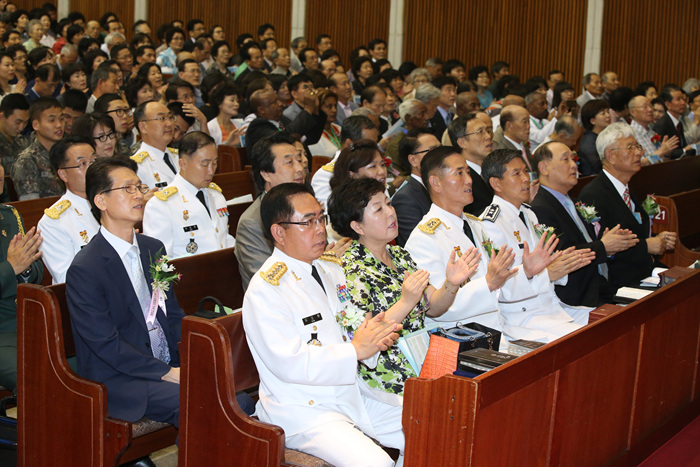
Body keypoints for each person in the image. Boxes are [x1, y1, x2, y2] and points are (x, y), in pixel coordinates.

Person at [243, 182, 404, 467]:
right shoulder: (267, 289)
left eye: (321, 219)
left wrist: (374, 338)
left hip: (351, 393)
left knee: (433, 426)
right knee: (377, 464)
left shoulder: (329, 267)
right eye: (308, 222)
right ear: (279, 232)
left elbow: (351, 327)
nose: (320, 229)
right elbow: (289, 363)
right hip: (305, 410)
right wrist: (356, 350)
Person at [65, 157, 185, 441]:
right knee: (200, 402)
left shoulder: (153, 248)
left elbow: (173, 314)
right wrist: (166, 372)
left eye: (139, 187)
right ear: (101, 201)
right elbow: (106, 344)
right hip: (122, 378)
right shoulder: (86, 268)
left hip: (167, 362)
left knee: (237, 397)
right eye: (127, 188)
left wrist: (194, 356)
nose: (138, 195)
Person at [329, 177, 478, 403]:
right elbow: (365, 338)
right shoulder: (349, 269)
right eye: (379, 209)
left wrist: (451, 283)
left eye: (389, 204)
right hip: (388, 375)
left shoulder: (399, 255)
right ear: (357, 226)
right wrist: (406, 302)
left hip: (424, 359)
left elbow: (434, 307)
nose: (391, 212)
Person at [404, 146, 522, 332]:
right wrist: (487, 284)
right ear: (436, 183)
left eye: (468, 172)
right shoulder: (424, 238)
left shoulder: (475, 224)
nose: (469, 180)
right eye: (459, 173)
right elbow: (436, 309)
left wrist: (530, 271)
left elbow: (500, 285)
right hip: (463, 335)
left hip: (500, 324)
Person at [480, 149, 592, 342]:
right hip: (522, 317)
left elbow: (543, 267)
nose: (526, 178)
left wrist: (561, 264)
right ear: (496, 183)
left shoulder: (528, 213)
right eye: (516, 173)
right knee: (588, 338)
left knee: (611, 319)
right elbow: (500, 287)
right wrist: (548, 273)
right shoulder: (491, 224)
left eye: (525, 171)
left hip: (550, 306)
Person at [530, 141, 638, 306]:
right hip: (576, 299)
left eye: (573, 159)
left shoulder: (572, 202)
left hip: (600, 287)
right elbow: (562, 255)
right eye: (565, 159)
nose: (574, 165)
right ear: (544, 168)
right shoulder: (540, 208)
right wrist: (603, 246)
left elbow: (585, 242)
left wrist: (611, 243)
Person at [578, 122, 677, 288]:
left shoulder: (625, 188)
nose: (639, 152)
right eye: (630, 147)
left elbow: (634, 232)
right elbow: (604, 249)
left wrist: (658, 238)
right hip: (619, 284)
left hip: (643, 272)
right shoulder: (593, 195)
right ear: (610, 155)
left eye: (638, 146)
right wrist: (646, 246)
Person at [143, 132, 235, 258]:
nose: (211, 171)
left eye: (214, 163)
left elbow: (224, 239)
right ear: (183, 164)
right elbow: (160, 259)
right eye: (204, 164)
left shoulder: (217, 196)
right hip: (188, 270)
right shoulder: (160, 205)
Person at [235, 132, 305, 290]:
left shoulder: (307, 207)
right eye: (289, 162)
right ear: (266, 174)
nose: (300, 168)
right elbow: (270, 281)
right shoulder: (252, 223)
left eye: (299, 160)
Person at [0, 161, 43, 393]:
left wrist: (24, 268)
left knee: (81, 361)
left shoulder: (8, 215)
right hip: (3, 331)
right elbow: (13, 266)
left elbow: (35, 269)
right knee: (33, 378)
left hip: (25, 319)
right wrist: (11, 268)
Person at [38, 136, 99, 284]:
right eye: (82, 164)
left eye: (94, 161)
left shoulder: (115, 202)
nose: (92, 168)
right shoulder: (54, 222)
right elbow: (67, 279)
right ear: (63, 174)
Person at [392, 129, 439, 246]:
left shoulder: (447, 184)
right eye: (433, 150)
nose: (442, 155)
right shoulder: (405, 198)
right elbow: (418, 244)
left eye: (441, 148)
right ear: (413, 160)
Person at [10, 97, 64, 200]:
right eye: (51, 120)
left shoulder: (66, 153)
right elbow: (31, 204)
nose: (59, 125)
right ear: (36, 125)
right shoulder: (27, 161)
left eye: (61, 119)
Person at [448, 112, 495, 216]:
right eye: (480, 132)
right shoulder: (458, 179)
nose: (488, 136)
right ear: (462, 142)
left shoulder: (494, 169)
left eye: (488, 131)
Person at [131, 101, 179, 190]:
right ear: (143, 127)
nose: (169, 123)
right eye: (161, 118)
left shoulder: (180, 157)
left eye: (170, 117)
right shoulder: (137, 166)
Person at [628, 95, 679, 163]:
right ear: (633, 112)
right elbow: (640, 163)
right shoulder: (630, 134)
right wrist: (661, 152)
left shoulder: (651, 132)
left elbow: (660, 160)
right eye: (645, 107)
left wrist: (666, 154)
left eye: (651, 106)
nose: (650, 109)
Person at [653, 84, 696, 159]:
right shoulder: (662, 125)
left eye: (683, 99)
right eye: (678, 99)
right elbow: (661, 153)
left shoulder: (678, 122)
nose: (683, 103)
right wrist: (684, 150)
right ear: (668, 104)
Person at [492, 104, 534, 172]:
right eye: (524, 122)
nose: (528, 126)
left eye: (528, 122)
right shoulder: (502, 154)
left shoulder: (524, 148)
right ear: (509, 125)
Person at [578, 99, 611, 176]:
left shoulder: (606, 136)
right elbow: (598, 166)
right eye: (603, 113)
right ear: (592, 121)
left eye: (608, 112)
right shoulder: (588, 141)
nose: (608, 115)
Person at [0, 93, 29, 171]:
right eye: (18, 122)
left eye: (25, 122)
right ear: (2, 117)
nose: (21, 128)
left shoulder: (24, 142)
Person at [308, 89, 341, 157]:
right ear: (317, 109)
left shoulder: (338, 128)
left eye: (335, 106)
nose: (334, 110)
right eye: (329, 106)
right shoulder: (313, 134)